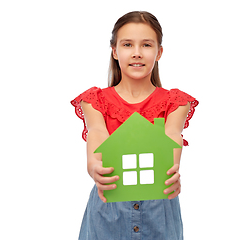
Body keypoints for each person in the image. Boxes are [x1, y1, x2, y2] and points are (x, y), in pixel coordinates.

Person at [71, 11, 198, 240]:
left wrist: (171, 167)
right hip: (108, 209)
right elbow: (97, 131)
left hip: (159, 210)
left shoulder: (175, 102)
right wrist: (93, 166)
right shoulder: (95, 100)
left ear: (159, 52)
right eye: (128, 44)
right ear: (115, 51)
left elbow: (172, 135)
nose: (137, 53)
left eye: (146, 45)